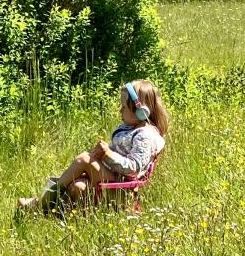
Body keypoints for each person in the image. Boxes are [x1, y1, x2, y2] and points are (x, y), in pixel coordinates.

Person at [18, 79, 169, 214]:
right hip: (113, 181)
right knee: (78, 186)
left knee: (84, 159)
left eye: (124, 107)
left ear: (141, 112)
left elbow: (133, 168)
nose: (120, 110)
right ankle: (59, 214)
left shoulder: (145, 136)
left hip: (122, 189)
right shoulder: (131, 128)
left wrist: (107, 154)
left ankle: (40, 204)